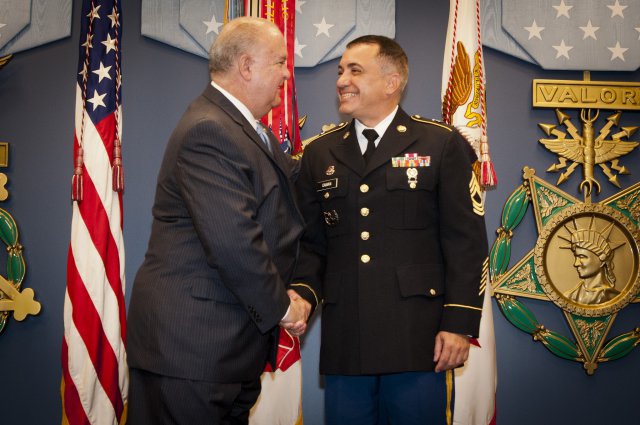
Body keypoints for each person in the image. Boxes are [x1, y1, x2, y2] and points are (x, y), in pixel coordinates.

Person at [126, 17, 318, 424]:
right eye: (280, 62)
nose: (288, 72)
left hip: (223, 354)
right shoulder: (209, 131)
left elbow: (286, 202)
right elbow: (234, 242)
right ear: (246, 66)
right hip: (191, 351)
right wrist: (286, 309)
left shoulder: (244, 130)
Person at [294, 35, 488, 424]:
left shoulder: (440, 143)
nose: (341, 80)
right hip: (347, 338)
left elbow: (465, 243)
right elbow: (310, 245)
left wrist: (459, 324)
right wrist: (301, 296)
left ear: (391, 81)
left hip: (418, 339)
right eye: (340, 71)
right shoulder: (319, 152)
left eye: (355, 70)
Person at [563, 220, 623, 305]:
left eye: (582, 257)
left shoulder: (614, 297)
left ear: (602, 260)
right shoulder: (569, 296)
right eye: (576, 257)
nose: (576, 264)